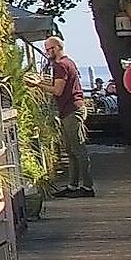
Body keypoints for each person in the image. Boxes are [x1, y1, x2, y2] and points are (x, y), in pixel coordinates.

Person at [43, 36, 92, 197]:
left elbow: (58, 90)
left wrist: (37, 84)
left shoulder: (61, 65)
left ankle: (87, 187)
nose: (47, 52)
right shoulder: (68, 63)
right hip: (69, 109)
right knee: (70, 150)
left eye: (49, 49)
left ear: (57, 48)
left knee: (78, 149)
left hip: (72, 110)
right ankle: (72, 185)